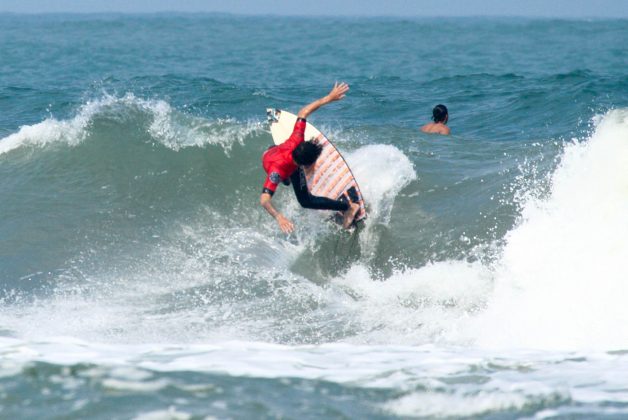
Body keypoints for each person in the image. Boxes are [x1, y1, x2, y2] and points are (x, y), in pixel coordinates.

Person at [260, 82, 360, 234]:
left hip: (274, 151)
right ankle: (349, 207)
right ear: (303, 164)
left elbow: (303, 112)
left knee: (294, 187)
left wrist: (329, 98)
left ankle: (349, 207)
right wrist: (279, 217)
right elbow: (264, 200)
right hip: (275, 164)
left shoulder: (297, 139)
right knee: (306, 201)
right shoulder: (277, 171)